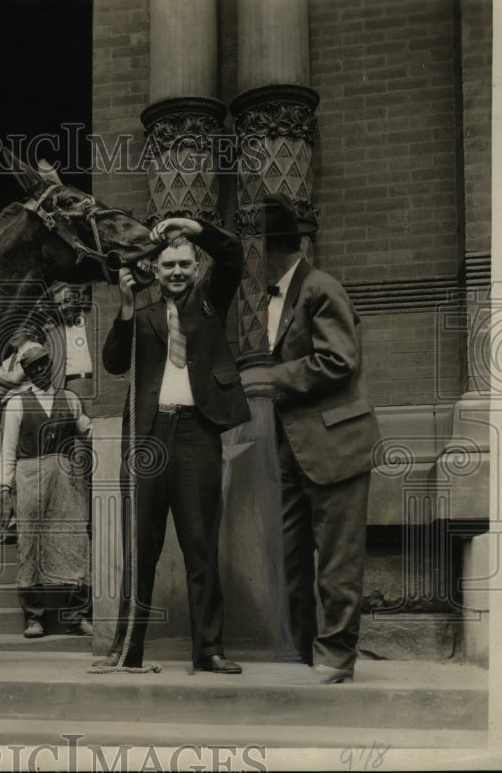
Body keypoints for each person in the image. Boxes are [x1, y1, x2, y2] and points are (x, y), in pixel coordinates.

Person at [98, 217, 251, 672]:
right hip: (147, 439)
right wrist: (125, 306)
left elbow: (232, 256)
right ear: (155, 270)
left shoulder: (210, 301)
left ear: (196, 265)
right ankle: (128, 651)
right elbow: (111, 363)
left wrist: (196, 227)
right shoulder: (142, 314)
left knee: (200, 546)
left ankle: (208, 651)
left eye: (185, 264)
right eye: (168, 266)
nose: (177, 272)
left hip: (196, 435)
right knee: (139, 548)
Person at [244, 194, 381, 684]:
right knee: (288, 560)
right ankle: (298, 654)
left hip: (338, 445)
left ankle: (336, 659)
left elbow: (340, 359)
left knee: (338, 563)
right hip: (289, 449)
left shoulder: (322, 288)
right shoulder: (275, 294)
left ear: (267, 249)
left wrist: (270, 378)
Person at [0, 343, 94, 638]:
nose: (40, 370)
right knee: (30, 546)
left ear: (51, 364)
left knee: (74, 543)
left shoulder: (70, 399)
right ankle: (34, 617)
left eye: (43, 364)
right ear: (26, 373)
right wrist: (4, 491)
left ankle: (77, 615)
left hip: (66, 484)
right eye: (33, 367)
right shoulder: (16, 403)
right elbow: (8, 451)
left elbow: (89, 431)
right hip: (30, 482)